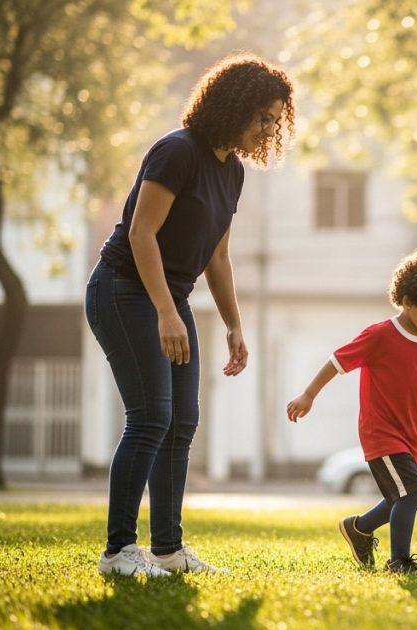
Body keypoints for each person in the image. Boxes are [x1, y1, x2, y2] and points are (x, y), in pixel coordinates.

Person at [88, 53, 295, 577]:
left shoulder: (232, 173)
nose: (270, 128)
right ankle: (117, 552)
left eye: (277, 119)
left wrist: (233, 324)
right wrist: (164, 310)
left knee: (182, 423)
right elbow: (141, 234)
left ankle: (167, 549)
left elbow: (218, 256)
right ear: (234, 106)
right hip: (122, 289)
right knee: (151, 417)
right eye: (264, 117)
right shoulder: (176, 151)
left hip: (168, 298)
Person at [286, 249, 417, 574]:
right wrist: (308, 395)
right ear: (408, 301)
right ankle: (399, 561)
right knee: (409, 491)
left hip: (412, 435)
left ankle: (359, 528)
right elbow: (337, 362)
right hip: (381, 434)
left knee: (415, 495)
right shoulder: (379, 335)